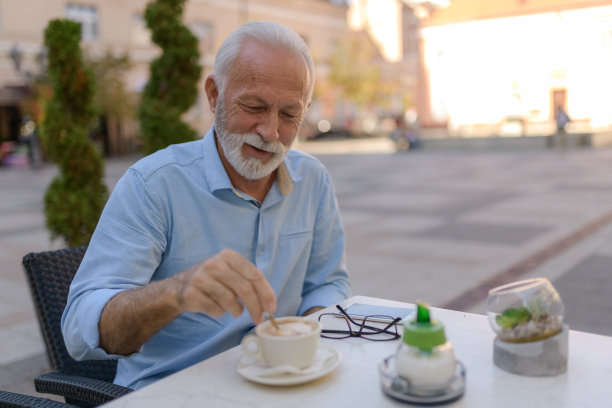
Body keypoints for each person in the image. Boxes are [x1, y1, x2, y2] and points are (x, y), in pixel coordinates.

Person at [61, 21, 351, 390]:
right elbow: (78, 333)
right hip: (173, 390)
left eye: (290, 114)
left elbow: (329, 282)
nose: (271, 132)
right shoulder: (154, 185)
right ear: (214, 95)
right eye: (254, 106)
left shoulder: (313, 179)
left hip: (283, 383)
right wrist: (175, 292)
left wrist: (307, 332)